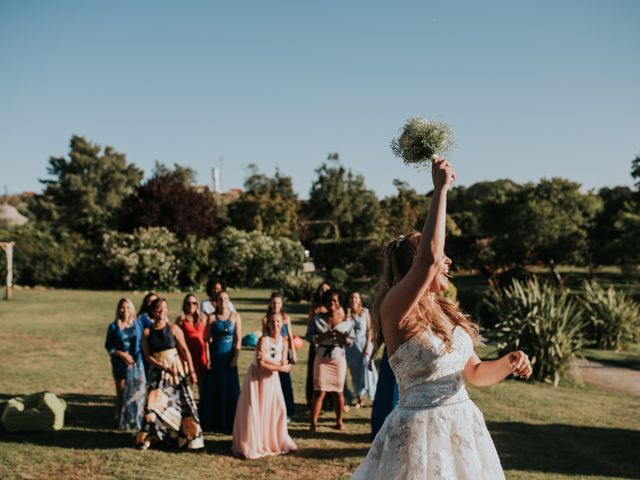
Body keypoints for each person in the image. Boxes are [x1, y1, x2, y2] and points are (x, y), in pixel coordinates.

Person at [351, 157, 532, 479]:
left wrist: (510, 361)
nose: (447, 260)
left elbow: (475, 374)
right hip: (418, 433)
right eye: (439, 256)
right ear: (416, 267)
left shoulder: (446, 312)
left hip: (462, 426)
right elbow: (431, 256)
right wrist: (440, 189)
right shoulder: (395, 308)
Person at [137, 298, 204, 450]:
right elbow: (148, 356)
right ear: (153, 312)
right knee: (152, 405)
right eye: (159, 309)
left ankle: (187, 438)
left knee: (181, 404)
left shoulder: (173, 328)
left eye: (165, 308)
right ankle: (150, 437)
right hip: (158, 371)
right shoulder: (147, 332)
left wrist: (192, 372)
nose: (162, 311)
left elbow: (185, 350)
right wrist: (162, 366)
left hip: (175, 371)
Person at [232, 313, 298, 459]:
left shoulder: (284, 342)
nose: (275, 324)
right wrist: (280, 368)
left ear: (283, 324)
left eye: (278, 322)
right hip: (257, 380)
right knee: (255, 410)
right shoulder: (263, 340)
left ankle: (272, 440)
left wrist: (278, 366)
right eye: (273, 321)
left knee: (275, 409)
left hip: (272, 381)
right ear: (268, 324)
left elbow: (283, 362)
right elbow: (262, 366)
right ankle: (252, 442)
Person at [307, 289, 354, 432]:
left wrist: (343, 339)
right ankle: (313, 424)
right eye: (329, 300)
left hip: (338, 359)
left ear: (339, 302)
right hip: (321, 358)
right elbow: (309, 336)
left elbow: (351, 341)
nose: (332, 303)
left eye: (335, 300)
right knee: (319, 391)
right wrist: (320, 338)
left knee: (338, 392)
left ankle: (339, 421)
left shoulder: (346, 320)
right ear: (325, 302)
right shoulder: (317, 319)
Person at [200, 290, 241, 432]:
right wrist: (208, 358)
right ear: (216, 301)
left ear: (229, 301)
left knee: (229, 388)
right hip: (215, 355)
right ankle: (213, 421)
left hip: (228, 356)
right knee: (214, 387)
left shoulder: (235, 317)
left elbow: (238, 339)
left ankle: (228, 422)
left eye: (225, 299)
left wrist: (236, 357)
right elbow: (206, 340)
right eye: (220, 299)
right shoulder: (211, 317)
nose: (223, 301)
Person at [104, 298, 146, 430]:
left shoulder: (137, 324)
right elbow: (109, 346)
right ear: (118, 309)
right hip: (120, 364)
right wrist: (122, 354)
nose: (125, 310)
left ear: (132, 309)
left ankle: (136, 419)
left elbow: (144, 341)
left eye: (128, 307)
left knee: (138, 392)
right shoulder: (114, 326)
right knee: (121, 392)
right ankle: (121, 420)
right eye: (122, 307)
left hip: (136, 363)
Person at [262, 292, 297, 419]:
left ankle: (289, 410)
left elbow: (291, 336)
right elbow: (263, 336)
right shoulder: (266, 319)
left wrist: (293, 353)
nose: (276, 305)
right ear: (270, 304)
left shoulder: (286, 318)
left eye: (278, 302)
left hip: (283, 351)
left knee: (285, 382)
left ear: (281, 304)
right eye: (274, 302)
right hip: (270, 352)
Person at [345, 291, 378, 407]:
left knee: (368, 372)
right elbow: (345, 330)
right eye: (352, 297)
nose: (354, 300)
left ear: (359, 300)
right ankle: (359, 399)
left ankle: (374, 397)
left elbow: (370, 330)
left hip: (364, 344)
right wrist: (348, 316)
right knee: (355, 374)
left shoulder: (365, 312)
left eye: (356, 298)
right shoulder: (347, 314)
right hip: (351, 348)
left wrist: (368, 346)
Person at [305, 281, 331, 409]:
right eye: (322, 289)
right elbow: (309, 326)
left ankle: (328, 402)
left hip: (330, 346)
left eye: (327, 289)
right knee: (314, 373)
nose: (324, 292)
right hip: (316, 344)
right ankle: (312, 400)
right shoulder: (314, 308)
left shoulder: (333, 307)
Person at [175, 293, 207, 384]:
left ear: (197, 305)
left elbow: (208, 337)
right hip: (188, 354)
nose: (191, 305)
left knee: (203, 383)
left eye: (194, 303)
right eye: (188, 303)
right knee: (188, 383)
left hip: (201, 355)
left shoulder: (203, 318)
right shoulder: (181, 320)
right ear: (184, 305)